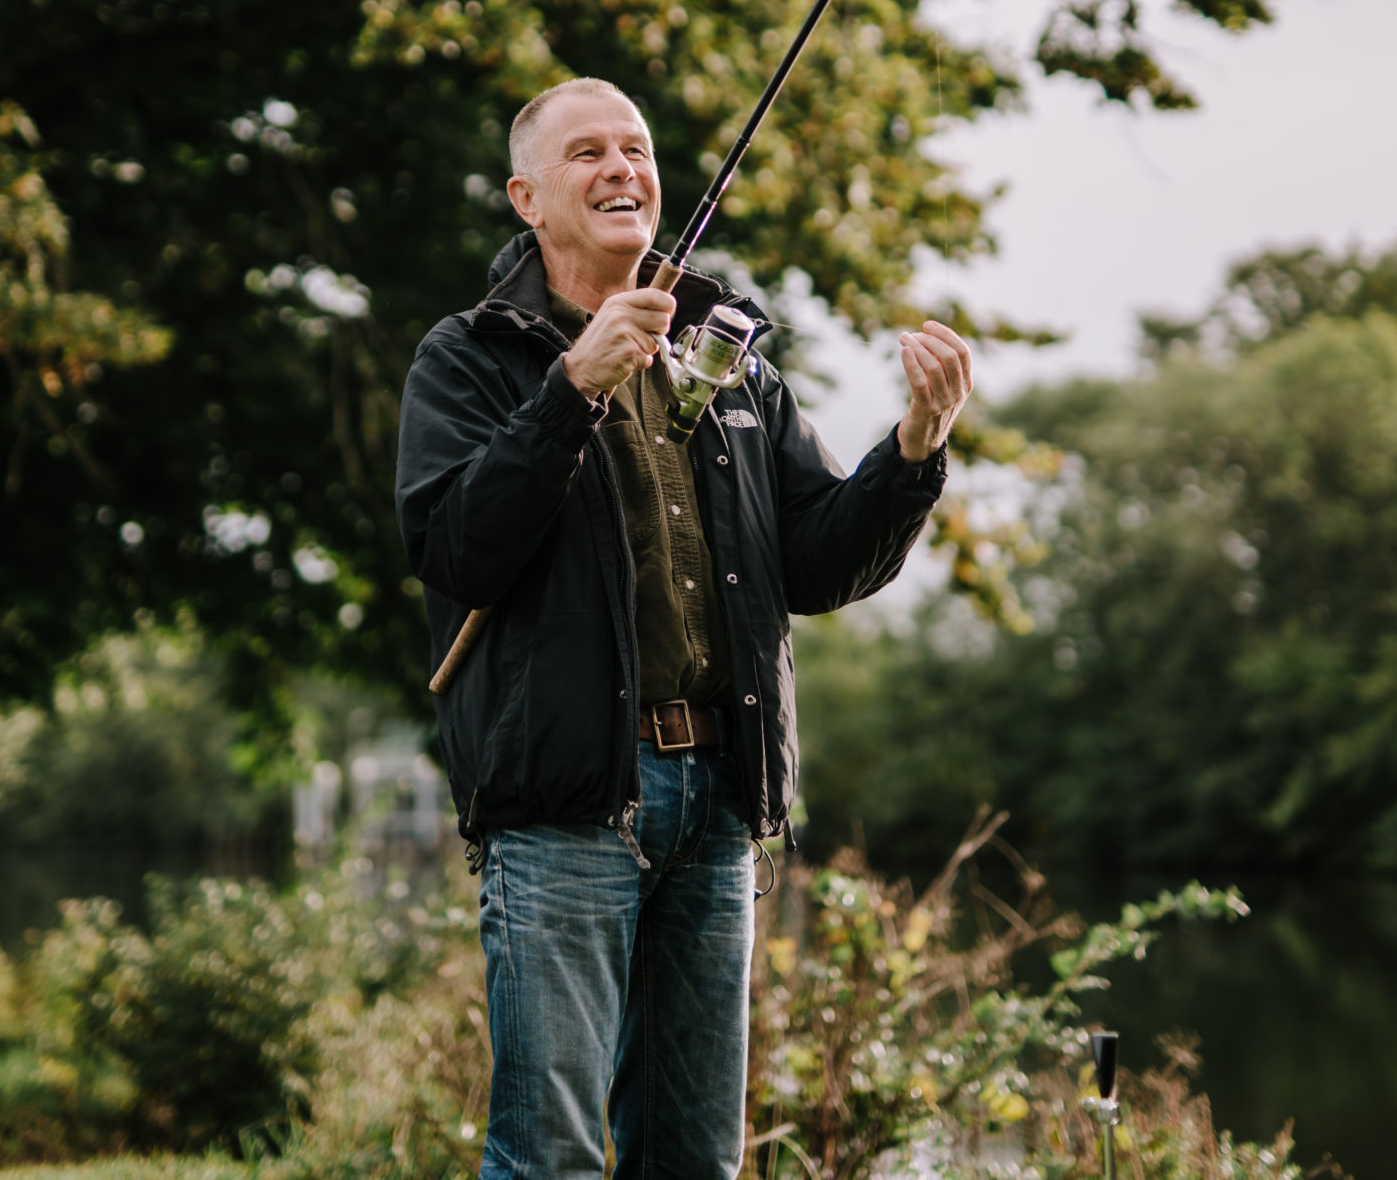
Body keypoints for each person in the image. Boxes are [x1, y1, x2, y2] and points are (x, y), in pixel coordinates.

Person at [396, 77, 973, 1180]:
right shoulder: (471, 357)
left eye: (637, 148)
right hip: (566, 806)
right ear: (527, 196)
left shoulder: (732, 352)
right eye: (587, 154)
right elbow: (455, 550)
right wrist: (572, 387)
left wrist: (911, 451)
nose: (622, 168)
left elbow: (813, 562)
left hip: (716, 803)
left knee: (694, 1159)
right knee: (549, 1158)